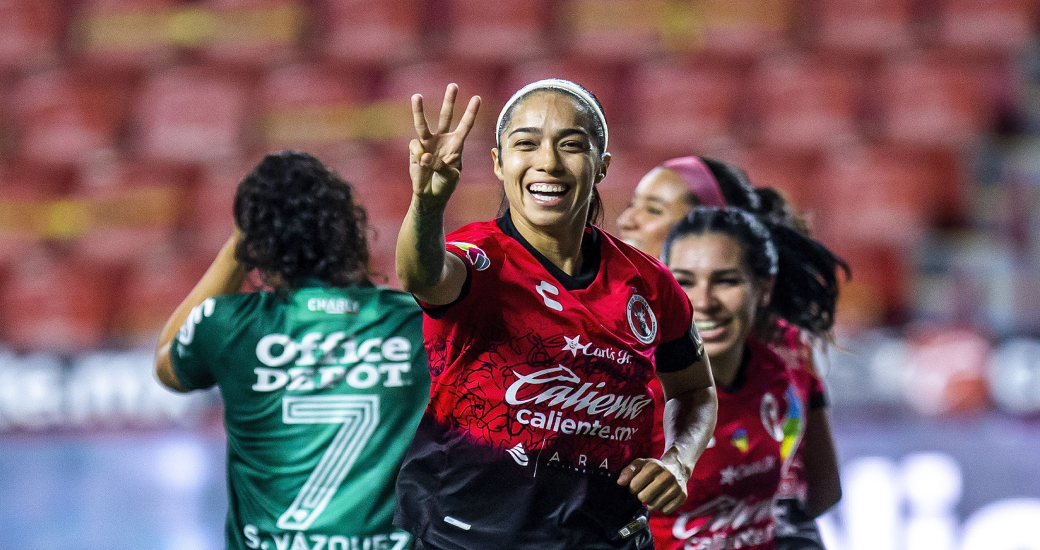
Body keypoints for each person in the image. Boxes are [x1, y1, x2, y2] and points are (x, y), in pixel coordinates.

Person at [392, 80, 719, 550]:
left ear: (601, 165)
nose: (548, 161)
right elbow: (421, 275)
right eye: (526, 144)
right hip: (466, 540)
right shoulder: (479, 260)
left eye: (571, 145)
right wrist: (426, 204)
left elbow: (695, 388)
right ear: (500, 163)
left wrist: (679, 461)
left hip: (609, 538)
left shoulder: (650, 284)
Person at [154, 151, 430, 550]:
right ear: (349, 232)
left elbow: (167, 365)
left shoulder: (227, 322)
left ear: (257, 246)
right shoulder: (415, 322)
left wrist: (239, 242)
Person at [618, 157, 840, 550]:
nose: (627, 221)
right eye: (634, 204)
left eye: (653, 209)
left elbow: (813, 496)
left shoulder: (784, 354)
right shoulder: (613, 349)